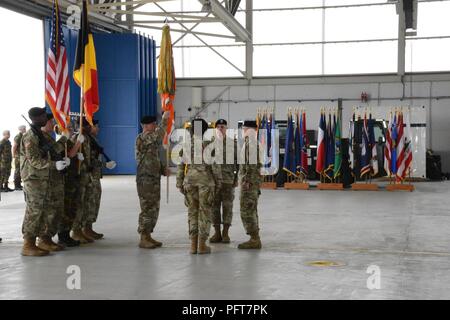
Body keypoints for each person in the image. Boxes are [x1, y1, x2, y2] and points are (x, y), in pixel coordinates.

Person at [20, 107, 69, 256]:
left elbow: (53, 149)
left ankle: (44, 239)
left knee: (48, 210)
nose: (46, 119)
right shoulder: (30, 137)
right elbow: (34, 160)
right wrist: (54, 165)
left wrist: (65, 138)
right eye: (43, 116)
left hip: (45, 179)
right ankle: (28, 244)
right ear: (36, 118)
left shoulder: (42, 135)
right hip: (34, 180)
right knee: (34, 211)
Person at [176, 118, 222, 254]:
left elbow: (180, 166)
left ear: (191, 130)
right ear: (205, 130)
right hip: (205, 183)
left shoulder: (185, 145)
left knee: (192, 212)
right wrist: (218, 183)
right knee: (204, 212)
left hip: (189, 182)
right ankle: (202, 245)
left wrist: (179, 183)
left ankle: (192, 245)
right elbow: (215, 167)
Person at [135, 112, 169, 249]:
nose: (155, 126)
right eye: (153, 124)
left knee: (154, 208)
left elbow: (154, 158)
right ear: (145, 125)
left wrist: (162, 169)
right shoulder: (142, 138)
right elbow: (158, 136)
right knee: (147, 208)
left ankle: (148, 235)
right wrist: (165, 121)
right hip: (145, 179)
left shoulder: (152, 140)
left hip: (154, 178)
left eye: (155, 123)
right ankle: (143, 236)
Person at [83, 119, 116, 240]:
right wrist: (103, 165)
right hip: (89, 176)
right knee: (89, 203)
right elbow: (88, 161)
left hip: (95, 175)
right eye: (96, 126)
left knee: (94, 203)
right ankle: (85, 229)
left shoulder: (92, 140)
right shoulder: (84, 140)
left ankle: (89, 228)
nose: (98, 129)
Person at [210, 119, 239, 244]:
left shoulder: (233, 144)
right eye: (219, 127)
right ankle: (217, 233)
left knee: (228, 207)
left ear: (226, 128)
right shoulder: (210, 144)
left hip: (228, 180)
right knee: (214, 208)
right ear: (215, 129)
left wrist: (236, 178)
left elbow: (238, 163)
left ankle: (226, 233)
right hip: (214, 182)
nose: (221, 128)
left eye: (223, 127)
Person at [57, 121, 84, 247]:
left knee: (71, 208)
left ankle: (67, 234)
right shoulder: (61, 141)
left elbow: (73, 155)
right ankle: (63, 236)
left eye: (71, 127)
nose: (71, 129)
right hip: (66, 180)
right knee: (66, 209)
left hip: (72, 178)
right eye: (68, 128)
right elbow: (71, 153)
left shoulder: (67, 141)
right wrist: (78, 143)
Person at [238, 120, 262, 249]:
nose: (243, 131)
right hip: (252, 182)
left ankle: (254, 239)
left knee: (247, 210)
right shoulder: (252, 143)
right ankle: (254, 237)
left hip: (249, 183)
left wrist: (246, 180)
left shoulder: (251, 143)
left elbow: (251, 164)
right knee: (251, 209)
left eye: (244, 129)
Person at [13, 125, 26, 190]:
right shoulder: (18, 137)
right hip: (18, 156)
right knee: (17, 170)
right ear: (21, 129)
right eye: (24, 128)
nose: (25, 129)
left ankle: (19, 185)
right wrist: (13, 154)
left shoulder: (22, 136)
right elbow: (14, 146)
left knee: (20, 170)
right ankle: (16, 185)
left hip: (21, 156)